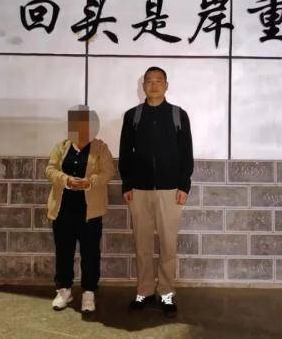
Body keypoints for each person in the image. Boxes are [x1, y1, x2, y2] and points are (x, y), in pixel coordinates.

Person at [118, 66, 194, 317]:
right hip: (139, 191)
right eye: (149, 81)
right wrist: (127, 184)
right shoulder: (133, 116)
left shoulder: (178, 115)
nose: (153, 85)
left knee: (168, 244)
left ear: (166, 85)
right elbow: (125, 152)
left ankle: (167, 293)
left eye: (158, 81)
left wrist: (184, 186)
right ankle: (144, 291)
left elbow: (186, 153)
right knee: (142, 244)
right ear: (143, 87)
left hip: (170, 190)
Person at [45, 106, 114, 313]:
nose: (80, 129)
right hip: (63, 210)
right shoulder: (61, 147)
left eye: (85, 125)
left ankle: (89, 293)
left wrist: (90, 182)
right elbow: (50, 169)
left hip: (90, 212)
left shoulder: (100, 148)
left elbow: (108, 172)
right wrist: (66, 180)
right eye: (76, 124)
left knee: (90, 253)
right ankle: (64, 290)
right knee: (63, 251)